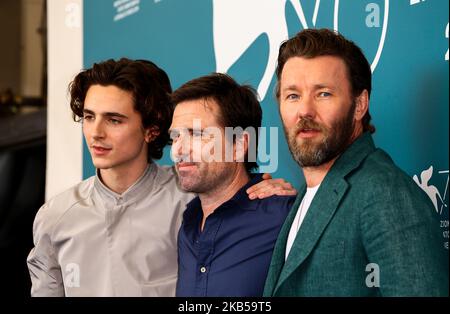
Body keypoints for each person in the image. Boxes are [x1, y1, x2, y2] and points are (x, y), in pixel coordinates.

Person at [26, 58, 293, 297]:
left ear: (151, 131)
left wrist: (261, 187)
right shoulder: (54, 217)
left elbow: (231, 186)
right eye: (88, 117)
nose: (96, 132)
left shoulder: (192, 197)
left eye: (114, 120)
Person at [263, 29, 449, 296]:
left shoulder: (385, 192)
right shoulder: (307, 193)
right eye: (293, 95)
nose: (305, 110)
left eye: (323, 93)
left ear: (359, 105)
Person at [170, 73, 296, 297]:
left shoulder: (285, 218)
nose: (178, 149)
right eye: (175, 136)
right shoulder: (188, 225)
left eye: (197, 134)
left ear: (239, 145)